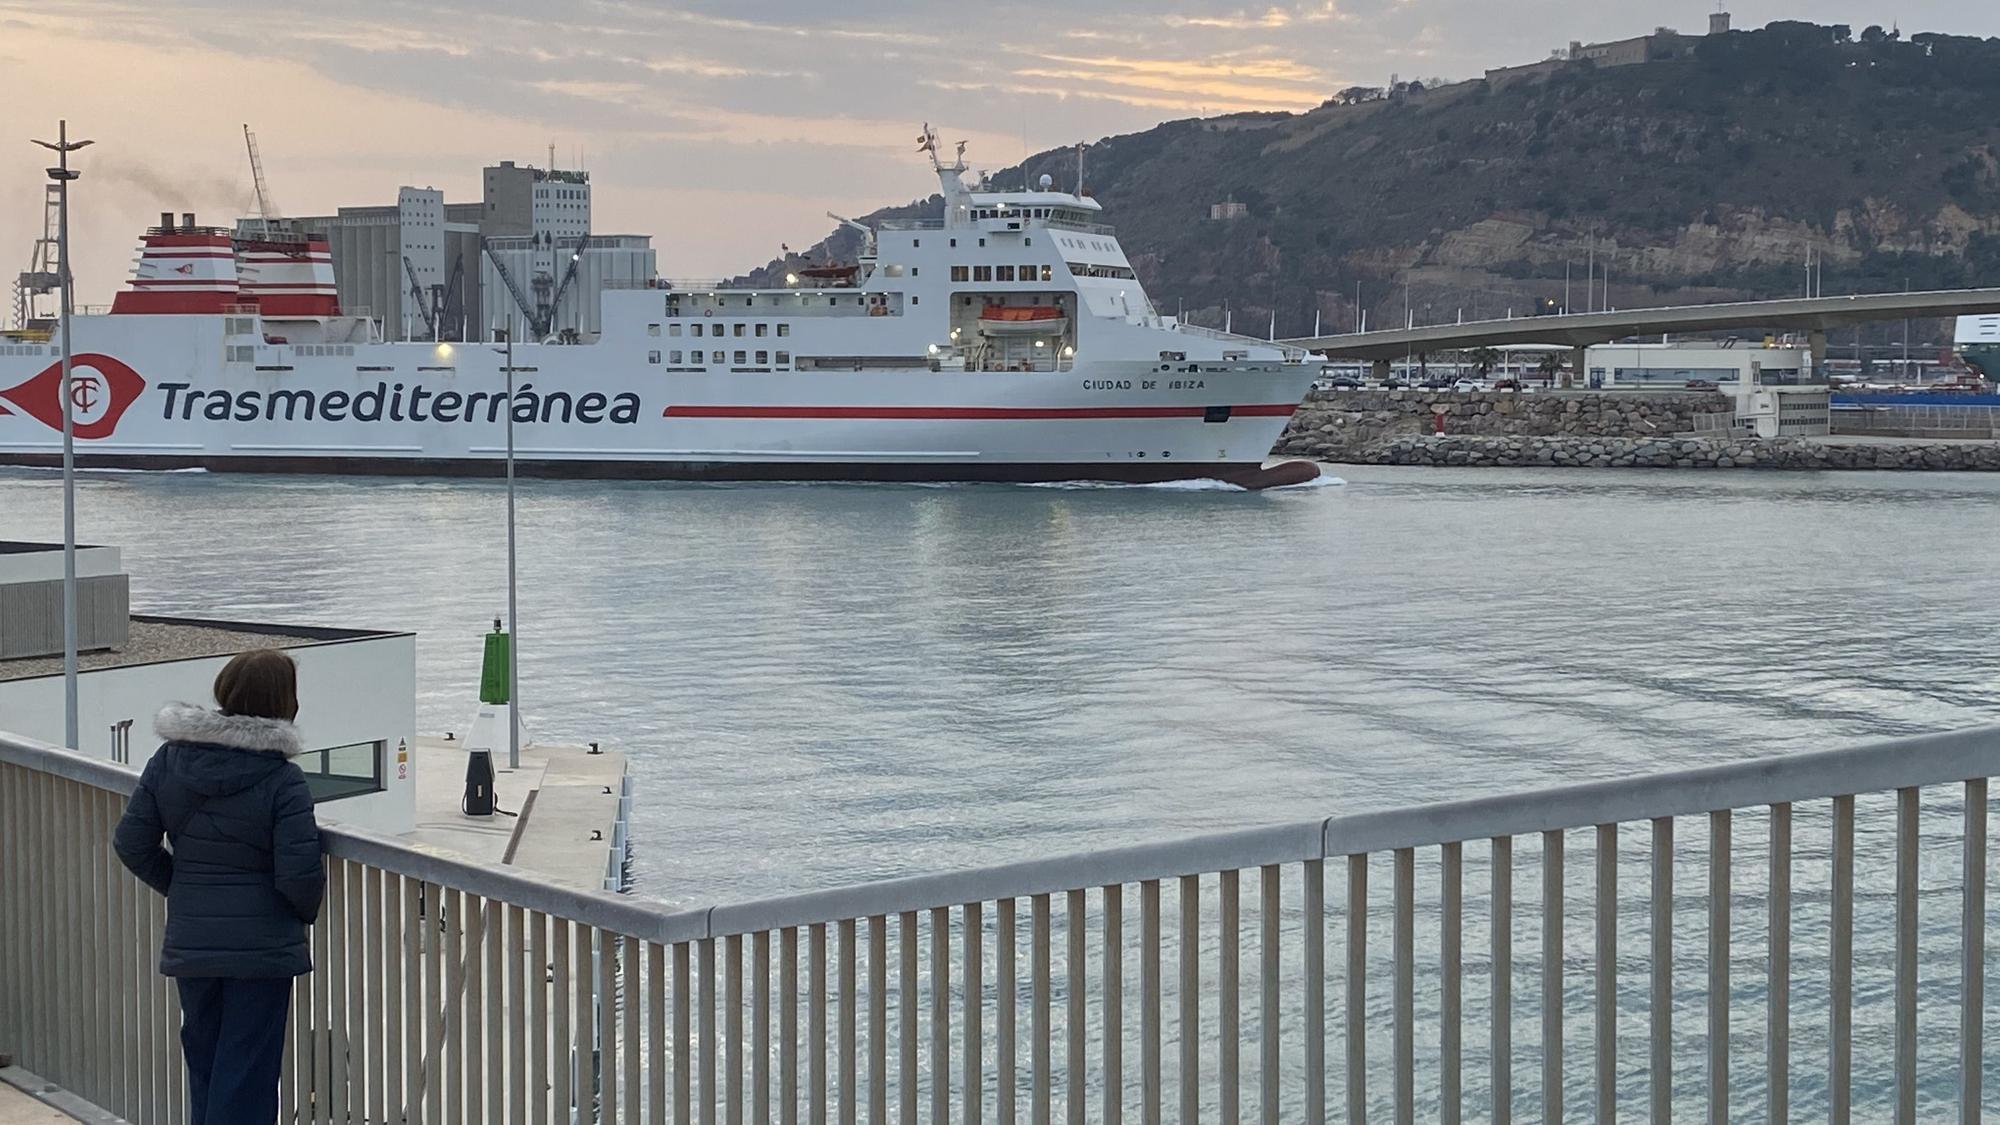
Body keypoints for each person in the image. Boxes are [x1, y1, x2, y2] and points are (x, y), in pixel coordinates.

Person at [115, 649, 324, 1125]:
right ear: (284, 702)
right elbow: (298, 877)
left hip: (195, 942)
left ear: (225, 692)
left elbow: (131, 842)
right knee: (247, 1074)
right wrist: (298, 912)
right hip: (261, 950)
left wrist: (185, 889)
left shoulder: (169, 760)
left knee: (206, 1064)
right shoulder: (283, 780)